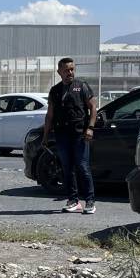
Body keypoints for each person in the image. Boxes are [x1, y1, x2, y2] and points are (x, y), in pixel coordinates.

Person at [42, 57, 97, 214]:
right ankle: (73, 200)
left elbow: (93, 107)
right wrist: (46, 136)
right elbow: (49, 115)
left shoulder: (82, 86)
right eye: (66, 70)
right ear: (59, 72)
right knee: (67, 168)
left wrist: (90, 128)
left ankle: (90, 201)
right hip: (62, 135)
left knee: (82, 167)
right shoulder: (55, 90)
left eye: (72, 69)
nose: (70, 73)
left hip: (79, 134)